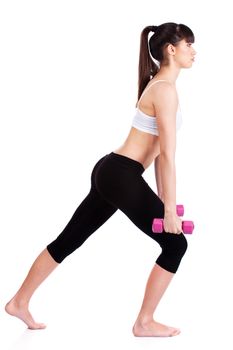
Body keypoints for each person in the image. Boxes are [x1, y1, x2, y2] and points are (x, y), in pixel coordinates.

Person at [5, 22, 196, 337]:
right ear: (171, 49)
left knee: (70, 239)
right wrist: (170, 210)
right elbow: (171, 156)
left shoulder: (159, 85)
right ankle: (144, 322)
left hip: (113, 171)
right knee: (175, 244)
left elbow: (160, 153)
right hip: (120, 174)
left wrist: (165, 201)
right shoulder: (164, 90)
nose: (194, 51)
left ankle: (19, 301)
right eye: (189, 45)